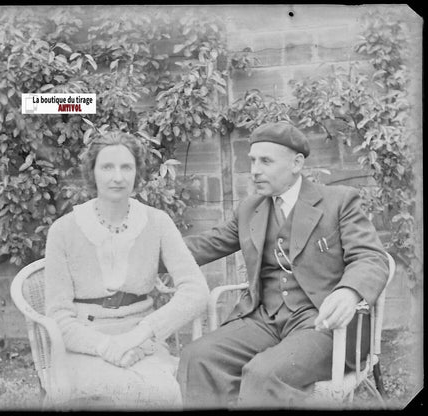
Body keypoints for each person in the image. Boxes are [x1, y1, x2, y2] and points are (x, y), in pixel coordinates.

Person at [176, 121, 389, 409]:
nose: (254, 170)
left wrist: (348, 292)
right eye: (252, 161)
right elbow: (205, 245)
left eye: (265, 161)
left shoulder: (338, 202)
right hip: (264, 319)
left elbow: (370, 256)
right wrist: (146, 252)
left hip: (323, 324)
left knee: (264, 373)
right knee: (197, 357)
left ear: (296, 163)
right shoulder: (250, 208)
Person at [44, 131, 209, 410]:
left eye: (126, 167)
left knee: (161, 393)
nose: (117, 177)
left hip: (141, 343)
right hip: (84, 344)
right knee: (103, 396)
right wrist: (107, 347)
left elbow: (196, 291)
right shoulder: (63, 230)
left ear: (137, 172)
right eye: (107, 167)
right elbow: (58, 315)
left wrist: (142, 334)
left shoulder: (158, 223)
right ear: (92, 172)